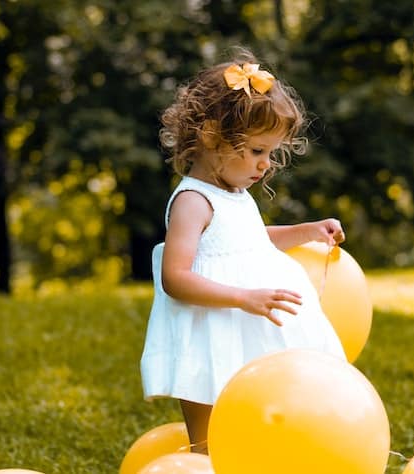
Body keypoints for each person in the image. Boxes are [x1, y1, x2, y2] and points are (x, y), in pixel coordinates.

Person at [140, 48, 347, 454]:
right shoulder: (193, 201)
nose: (266, 164)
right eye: (256, 151)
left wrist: (307, 231)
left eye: (270, 153)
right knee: (210, 438)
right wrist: (243, 298)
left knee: (260, 423)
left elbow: (249, 243)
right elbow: (175, 277)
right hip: (210, 332)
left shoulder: (233, 194)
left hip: (247, 328)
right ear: (211, 137)